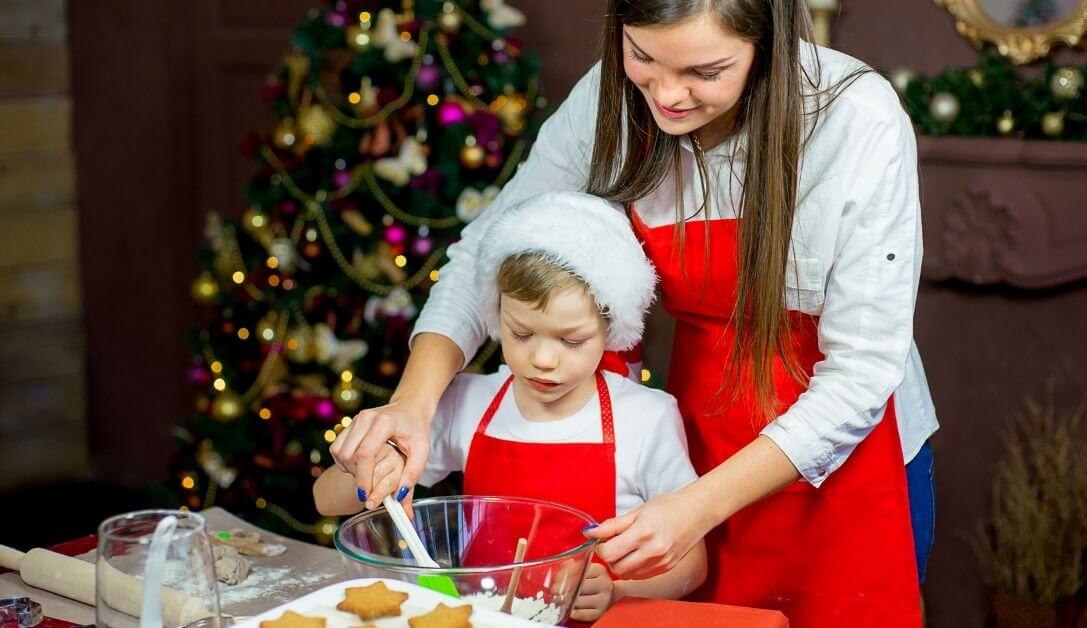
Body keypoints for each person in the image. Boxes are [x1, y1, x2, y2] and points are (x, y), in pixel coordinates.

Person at [334, 0, 940, 624]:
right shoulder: (610, 98)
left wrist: (698, 509)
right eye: (643, 57)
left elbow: (862, 372)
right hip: (699, 430)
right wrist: (413, 403)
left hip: (848, 454)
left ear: (769, 43)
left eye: (706, 71)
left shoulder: (853, 117)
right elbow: (487, 249)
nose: (668, 95)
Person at [321, 192, 706, 622]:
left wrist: (619, 590)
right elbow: (324, 500)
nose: (543, 359)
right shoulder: (469, 402)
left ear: (611, 326)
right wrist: (370, 469)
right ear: (497, 313)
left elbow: (692, 565)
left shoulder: (646, 419)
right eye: (521, 334)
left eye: (572, 341)